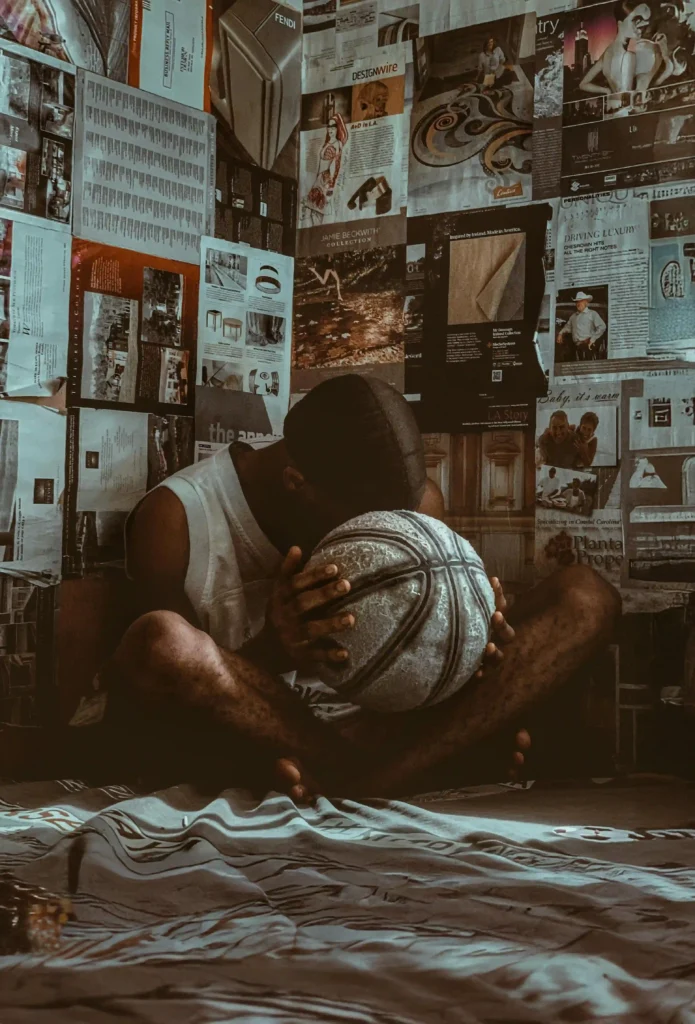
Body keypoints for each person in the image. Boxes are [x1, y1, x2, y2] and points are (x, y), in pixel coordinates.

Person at [0, 376, 620, 799]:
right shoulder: (177, 518)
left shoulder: (413, 504)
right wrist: (276, 646)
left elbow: (437, 645)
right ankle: (397, 770)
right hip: (267, 735)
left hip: (393, 723)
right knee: (162, 641)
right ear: (297, 480)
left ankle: (382, 772)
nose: (382, 535)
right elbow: (151, 698)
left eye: (395, 522)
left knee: (585, 597)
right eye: (363, 522)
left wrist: (476, 630)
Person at [302, 114, 349, 226]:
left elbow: (337, 165)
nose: (330, 129)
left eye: (333, 127)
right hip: (319, 179)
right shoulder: (326, 143)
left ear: (338, 128)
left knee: (319, 209)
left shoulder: (337, 144)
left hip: (326, 180)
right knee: (312, 208)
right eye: (329, 126)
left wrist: (331, 185)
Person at [556, 292, 607, 361]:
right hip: (576, 348)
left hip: (588, 347)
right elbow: (568, 327)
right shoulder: (573, 316)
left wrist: (592, 339)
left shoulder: (592, 314)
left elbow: (602, 326)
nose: (578, 303)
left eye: (580, 301)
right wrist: (560, 333)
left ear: (586, 303)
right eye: (577, 302)